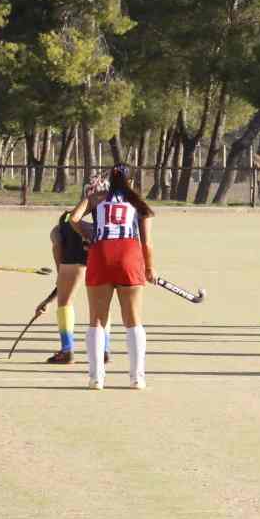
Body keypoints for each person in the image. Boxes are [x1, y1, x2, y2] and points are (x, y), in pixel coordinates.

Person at [69, 165, 155, 390]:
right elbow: (146, 243)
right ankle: (137, 378)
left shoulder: (96, 198)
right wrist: (150, 269)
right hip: (129, 254)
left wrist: (88, 233)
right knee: (133, 320)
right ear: (131, 182)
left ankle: (96, 378)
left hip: (101, 253)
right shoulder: (138, 203)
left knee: (97, 320)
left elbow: (73, 218)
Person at [38, 202, 109, 365]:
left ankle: (67, 350)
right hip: (104, 250)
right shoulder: (109, 214)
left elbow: (57, 246)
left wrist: (59, 279)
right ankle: (104, 349)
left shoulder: (62, 224)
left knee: (65, 302)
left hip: (73, 258)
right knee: (101, 302)